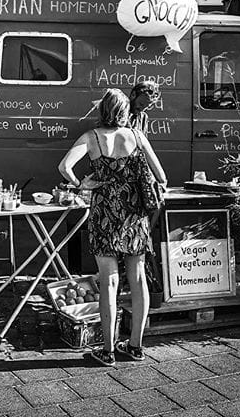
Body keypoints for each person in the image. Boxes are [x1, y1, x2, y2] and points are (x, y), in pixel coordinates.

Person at [58, 88, 167, 366]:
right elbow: (161, 177)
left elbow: (64, 167)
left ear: (103, 110)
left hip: (104, 214)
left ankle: (107, 351)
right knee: (138, 277)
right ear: (125, 110)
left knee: (108, 281)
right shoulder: (138, 136)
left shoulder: (91, 138)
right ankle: (136, 346)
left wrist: (82, 184)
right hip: (134, 216)